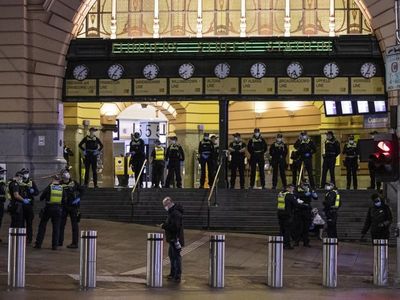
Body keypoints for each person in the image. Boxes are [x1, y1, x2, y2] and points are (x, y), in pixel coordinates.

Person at [34, 175, 64, 250]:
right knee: (56, 227)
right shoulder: (61, 188)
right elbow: (64, 199)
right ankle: (55, 245)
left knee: (42, 225)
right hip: (58, 209)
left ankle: (38, 244)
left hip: (49, 208)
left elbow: (41, 198)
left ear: (53, 179)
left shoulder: (50, 187)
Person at [161, 197, 184, 283]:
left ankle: (177, 275)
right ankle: (173, 273)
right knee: (172, 256)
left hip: (175, 239)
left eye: (165, 205)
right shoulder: (172, 212)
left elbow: (175, 227)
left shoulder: (175, 213)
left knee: (176, 257)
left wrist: (164, 226)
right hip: (172, 239)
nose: (165, 207)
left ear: (170, 203)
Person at [59, 168, 84, 248]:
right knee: (61, 225)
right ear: (62, 175)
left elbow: (82, 191)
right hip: (63, 206)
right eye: (65, 173)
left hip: (73, 206)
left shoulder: (74, 183)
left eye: (67, 172)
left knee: (75, 225)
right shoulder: (60, 184)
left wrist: (79, 198)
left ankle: (75, 243)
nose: (67, 174)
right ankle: (59, 241)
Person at [293, 180, 317, 247]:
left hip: (307, 210)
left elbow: (315, 197)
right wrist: (305, 194)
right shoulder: (297, 188)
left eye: (307, 184)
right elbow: (296, 195)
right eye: (304, 184)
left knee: (306, 227)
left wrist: (313, 193)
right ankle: (296, 241)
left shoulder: (309, 188)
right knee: (298, 227)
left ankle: (306, 242)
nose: (306, 185)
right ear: (301, 183)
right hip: (299, 210)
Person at [18, 168, 39, 244]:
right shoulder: (19, 182)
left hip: (29, 205)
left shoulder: (31, 182)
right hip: (21, 204)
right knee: (21, 222)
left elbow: (37, 192)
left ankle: (29, 238)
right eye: (25, 173)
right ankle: (22, 237)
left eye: (27, 173)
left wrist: (33, 191)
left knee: (29, 223)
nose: (26, 174)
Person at [277, 184, 297, 249]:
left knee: (282, 230)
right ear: (288, 188)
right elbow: (295, 204)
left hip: (280, 214)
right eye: (292, 188)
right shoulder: (289, 195)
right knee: (287, 230)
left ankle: (280, 243)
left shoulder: (280, 194)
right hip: (287, 215)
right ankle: (287, 245)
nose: (293, 190)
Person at [0, 167, 7, 242]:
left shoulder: (2, 183)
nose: (2, 174)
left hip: (1, 203)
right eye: (1, 172)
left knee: (0, 220)